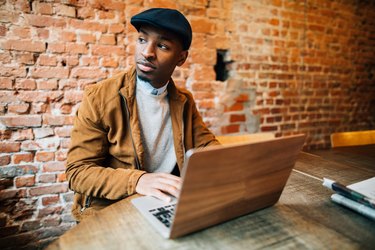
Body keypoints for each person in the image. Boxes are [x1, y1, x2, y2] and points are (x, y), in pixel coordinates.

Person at [66, 8, 219, 221]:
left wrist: (235, 165)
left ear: (181, 58)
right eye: (141, 40)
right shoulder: (99, 97)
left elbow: (205, 147)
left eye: (162, 45)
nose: (147, 52)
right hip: (111, 210)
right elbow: (78, 172)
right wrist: (138, 181)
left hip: (162, 204)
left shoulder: (184, 100)